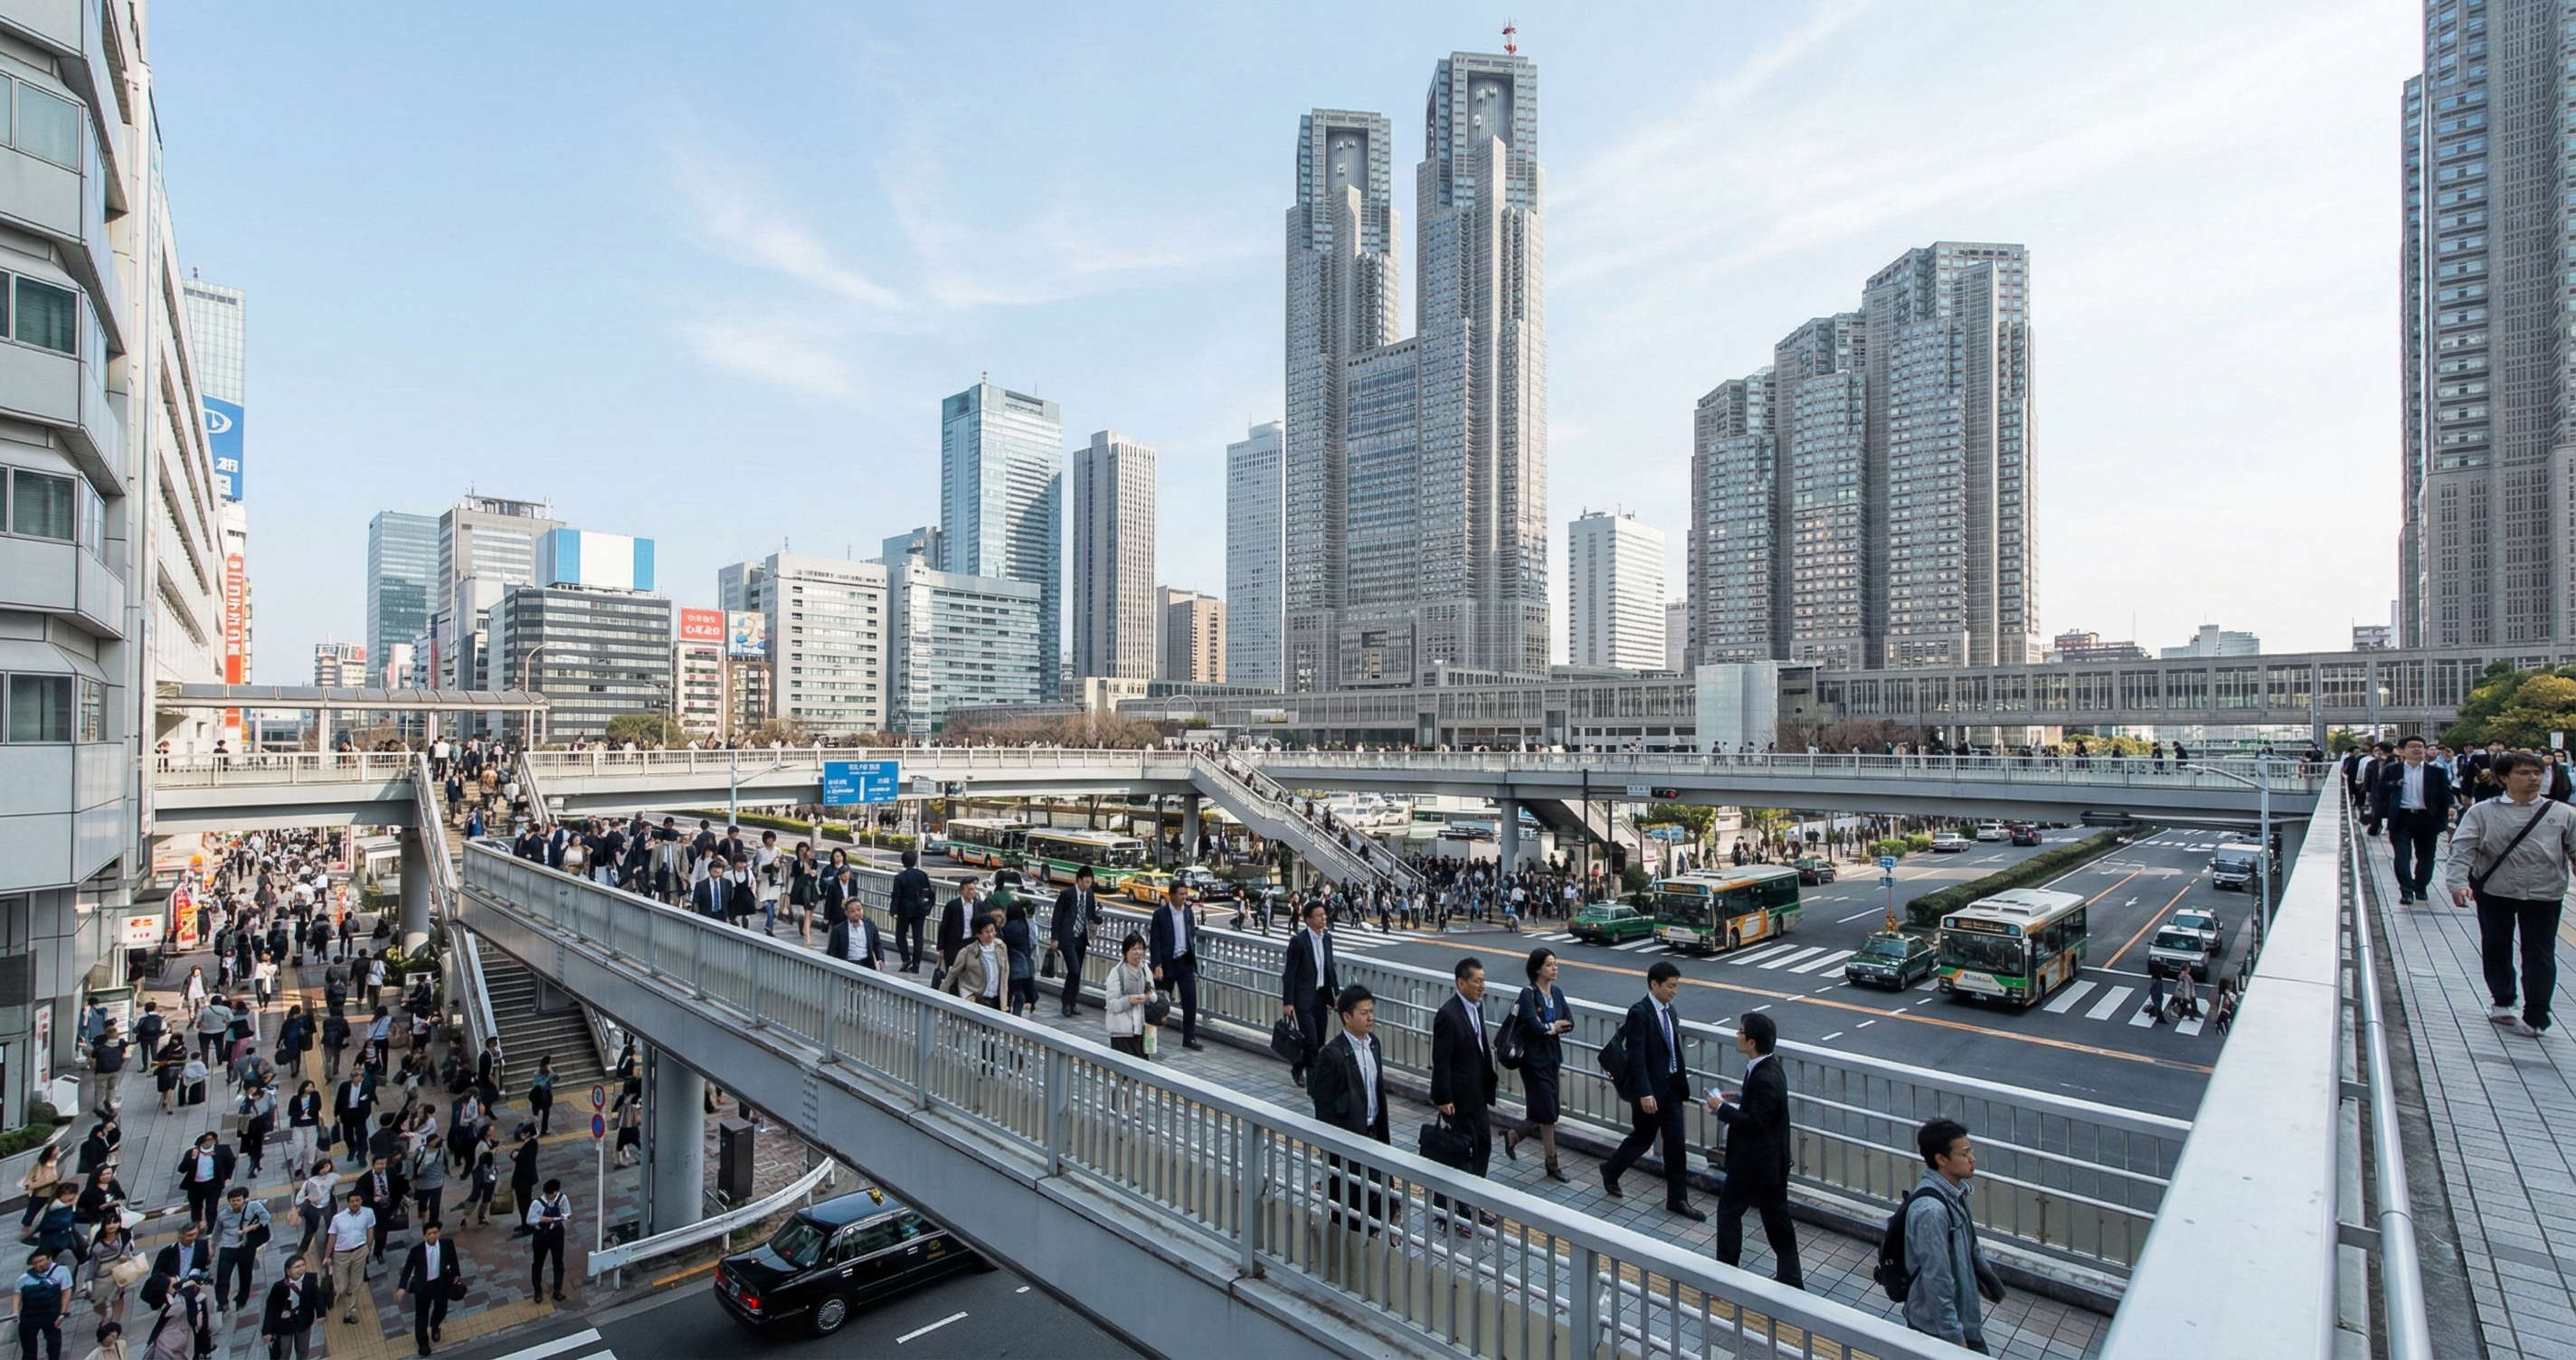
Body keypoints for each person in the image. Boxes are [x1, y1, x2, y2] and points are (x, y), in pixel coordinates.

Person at [2443, 750, 2576, 1035]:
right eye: (2524, 773)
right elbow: (2463, 849)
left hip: (2546, 891)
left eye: (2537, 773)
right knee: (2496, 945)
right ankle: (2503, 1002)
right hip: (2495, 889)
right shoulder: (2483, 812)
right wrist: (2457, 883)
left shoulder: (2562, 812)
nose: (2533, 778)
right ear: (2503, 777)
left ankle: (2537, 1013)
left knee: (2540, 951)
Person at [1705, 1011, 1802, 1286]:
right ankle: (1791, 1279)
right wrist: (1737, 1097)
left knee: (1729, 1211)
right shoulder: (1767, 1067)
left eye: (1740, 1032)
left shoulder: (1764, 1076)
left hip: (1755, 1163)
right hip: (1768, 1164)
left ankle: (1726, 1271)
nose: (1737, 1035)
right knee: (1776, 1221)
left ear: (1752, 1042)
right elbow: (1761, 1107)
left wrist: (1720, 1108)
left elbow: (1757, 1122)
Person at [1601, 961, 1702, 1218]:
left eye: (1676, 986)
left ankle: (1677, 1199)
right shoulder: (1640, 1012)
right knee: (1643, 1138)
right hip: (1649, 1093)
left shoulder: (1670, 1011)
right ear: (1654, 985)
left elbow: (1672, 1049)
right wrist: (1645, 1093)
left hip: (1671, 1090)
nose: (1674, 991)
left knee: (1676, 1146)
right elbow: (1636, 1057)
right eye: (1670, 986)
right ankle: (1611, 1170)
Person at [1902, 1118, 2005, 1353]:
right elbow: (1937, 1278)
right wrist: (1954, 1337)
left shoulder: (1955, 1192)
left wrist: (1992, 1286)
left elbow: (1971, 1248)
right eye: (1965, 1154)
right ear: (1941, 1159)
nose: (1973, 1159)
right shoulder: (1932, 1211)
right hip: (1937, 1328)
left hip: (1960, 1320)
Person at [1428, 956, 1497, 1200]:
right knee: (1464, 1150)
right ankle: (1455, 1205)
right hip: (1458, 1099)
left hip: (1478, 1093)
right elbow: (1442, 1060)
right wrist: (1443, 1097)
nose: (1482, 986)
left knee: (1484, 1146)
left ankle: (1473, 1200)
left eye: (1483, 980)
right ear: (1461, 983)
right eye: (1477, 981)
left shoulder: (1476, 1008)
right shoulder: (1448, 1015)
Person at [1504, 948, 1573, 1183]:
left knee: (1544, 1111)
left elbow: (1569, 1021)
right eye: (1549, 965)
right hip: (1532, 1060)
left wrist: (1550, 1026)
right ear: (1537, 969)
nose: (1555, 968)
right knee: (1547, 1111)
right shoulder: (1528, 994)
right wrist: (1553, 1027)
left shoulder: (1557, 992)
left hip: (1553, 1057)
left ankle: (1514, 1137)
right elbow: (1534, 1025)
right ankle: (1552, 1163)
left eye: (1555, 964)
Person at [2374, 734, 2453, 903]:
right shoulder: (2393, 770)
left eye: (2420, 746)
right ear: (2402, 751)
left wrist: (2450, 809)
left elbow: (2446, 793)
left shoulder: (2436, 771)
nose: (2417, 749)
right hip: (2402, 817)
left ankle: (2421, 886)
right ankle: (2406, 890)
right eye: (2412, 746)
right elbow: (2380, 787)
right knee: (2402, 856)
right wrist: (2395, 784)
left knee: (2426, 856)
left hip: (2427, 818)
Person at [1280, 901, 1340, 1088]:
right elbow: (1289, 974)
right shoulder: (1298, 941)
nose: (1324, 918)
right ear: (1308, 920)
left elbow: (1330, 968)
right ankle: (1314, 1078)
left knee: (1319, 1039)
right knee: (1312, 1039)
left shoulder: (1327, 938)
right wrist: (1288, 1002)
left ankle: (1299, 1065)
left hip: (1322, 996)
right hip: (1303, 998)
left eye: (1324, 914)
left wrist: (1336, 994)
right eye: (1319, 915)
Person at [1150, 884, 1205, 1051]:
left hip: (1184, 962)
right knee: (1157, 1002)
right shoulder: (1160, 915)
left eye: (1186, 894)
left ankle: (1189, 1038)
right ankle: (1150, 1036)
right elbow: (1155, 941)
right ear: (1171, 895)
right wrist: (1157, 964)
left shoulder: (1188, 912)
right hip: (1167, 964)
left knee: (1190, 1001)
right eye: (1181, 894)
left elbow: (1191, 933)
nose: (1184, 897)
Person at [394, 1221, 461, 1355]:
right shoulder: (416, 1251)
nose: (432, 1236)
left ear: (439, 1233)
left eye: (435, 1233)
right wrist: (401, 1287)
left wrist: (456, 1274)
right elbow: (407, 1269)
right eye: (429, 1234)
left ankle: (435, 1326)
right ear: (425, 1235)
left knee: (441, 1308)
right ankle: (423, 1343)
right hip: (423, 1286)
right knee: (421, 1315)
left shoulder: (447, 1244)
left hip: (441, 1283)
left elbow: (453, 1261)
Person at [1047, 865, 1100, 1016]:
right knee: (1074, 969)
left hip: (1081, 938)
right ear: (1078, 880)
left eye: (1090, 882)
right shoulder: (1067, 894)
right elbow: (1056, 916)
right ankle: (1066, 1002)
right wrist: (1055, 938)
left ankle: (1072, 1002)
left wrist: (1098, 916)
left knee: (1077, 973)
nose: (1087, 885)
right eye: (1085, 882)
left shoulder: (1089, 895)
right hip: (1067, 938)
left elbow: (1091, 915)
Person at [210, 1185, 270, 1316]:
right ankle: (222, 1302)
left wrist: (249, 1229)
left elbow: (265, 1218)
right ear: (229, 1201)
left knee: (245, 1274)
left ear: (243, 1199)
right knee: (223, 1276)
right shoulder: (223, 1215)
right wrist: (213, 1248)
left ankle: (242, 1299)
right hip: (227, 1247)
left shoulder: (253, 1206)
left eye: (238, 1200)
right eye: (233, 1200)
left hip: (246, 1247)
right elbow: (216, 1233)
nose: (236, 1203)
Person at [323, 1191, 374, 1326]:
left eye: (357, 1200)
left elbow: (370, 1230)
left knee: (355, 1284)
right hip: (341, 1254)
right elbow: (332, 1237)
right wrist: (327, 1256)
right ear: (348, 1203)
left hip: (360, 1251)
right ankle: (336, 1290)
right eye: (352, 1201)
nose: (355, 1203)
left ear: (361, 1201)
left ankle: (350, 1312)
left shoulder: (368, 1213)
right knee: (342, 1286)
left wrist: (368, 1247)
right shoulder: (338, 1218)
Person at [1102, 933, 1155, 1059]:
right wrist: (1130, 1000)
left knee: (1143, 1070)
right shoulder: (1117, 972)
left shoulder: (1145, 968)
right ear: (1126, 952)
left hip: (1143, 1030)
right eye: (1134, 949)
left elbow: (1152, 993)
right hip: (1122, 1032)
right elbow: (1111, 1004)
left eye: (1141, 948)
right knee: (1126, 1074)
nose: (1139, 952)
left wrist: (1150, 995)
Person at [259, 1255, 322, 1360]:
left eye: (303, 1265)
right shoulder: (279, 1287)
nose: (301, 1269)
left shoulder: (311, 1279)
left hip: (303, 1321)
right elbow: (271, 1309)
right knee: (283, 1350)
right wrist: (267, 1330)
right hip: (284, 1325)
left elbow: (317, 1296)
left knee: (303, 1349)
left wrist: (321, 1313)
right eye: (297, 1267)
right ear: (288, 1271)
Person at [939, 917, 1006, 1009]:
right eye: (986, 932)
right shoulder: (967, 952)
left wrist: (1004, 1001)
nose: (991, 934)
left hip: (996, 999)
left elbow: (1005, 974)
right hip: (976, 999)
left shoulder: (1001, 947)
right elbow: (952, 974)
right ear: (978, 934)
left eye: (992, 930)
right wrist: (939, 996)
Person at [17, 1249, 72, 1360]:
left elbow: (66, 1290)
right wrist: (14, 1312)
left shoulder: (61, 1271)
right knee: (28, 1349)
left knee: (54, 1345)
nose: (38, 1265)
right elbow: (17, 1294)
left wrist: (62, 1312)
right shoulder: (24, 1278)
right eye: (35, 1263)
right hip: (29, 1316)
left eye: (41, 1261)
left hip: (51, 1314)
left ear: (49, 1258)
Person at [174, 1133, 234, 1231]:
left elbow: (231, 1162)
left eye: (210, 1140)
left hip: (212, 1185)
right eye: (205, 1140)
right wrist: (192, 1158)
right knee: (196, 1209)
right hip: (195, 1186)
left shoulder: (221, 1150)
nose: (208, 1143)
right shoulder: (191, 1152)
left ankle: (211, 1229)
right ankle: (196, 1227)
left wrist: (226, 1177)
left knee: (211, 1209)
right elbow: (182, 1169)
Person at [526, 1178, 571, 1303]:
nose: (550, 1196)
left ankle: (557, 1290)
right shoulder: (537, 1203)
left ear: (556, 1192)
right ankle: (538, 1291)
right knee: (538, 1264)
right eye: (548, 1194)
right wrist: (543, 1220)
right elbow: (530, 1220)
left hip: (557, 1234)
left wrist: (563, 1217)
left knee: (558, 1262)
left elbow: (568, 1213)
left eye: (552, 1194)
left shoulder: (562, 1198)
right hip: (541, 1236)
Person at [889, 849, 934, 973]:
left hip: (904, 911)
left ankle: (906, 959)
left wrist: (893, 910)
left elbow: (896, 896)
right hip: (920, 910)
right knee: (918, 937)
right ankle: (916, 965)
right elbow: (928, 892)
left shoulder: (899, 878)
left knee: (900, 936)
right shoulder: (922, 875)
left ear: (903, 862)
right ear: (915, 861)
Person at [999, 901, 1038, 1016]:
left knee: (1013, 992)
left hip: (1015, 964)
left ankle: (1010, 1015)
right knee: (1020, 992)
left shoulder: (1010, 927)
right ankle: (1016, 1016)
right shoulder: (1023, 924)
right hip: (1024, 964)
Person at [824, 899, 886, 971]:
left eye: (859, 910)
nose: (857, 913)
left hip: (867, 963)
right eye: (852, 911)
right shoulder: (838, 929)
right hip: (848, 964)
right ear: (846, 913)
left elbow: (877, 944)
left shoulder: (870, 925)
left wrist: (880, 958)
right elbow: (832, 951)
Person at [526, 1057, 556, 1138]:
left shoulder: (547, 1072)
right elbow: (540, 1084)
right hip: (540, 1095)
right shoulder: (540, 1073)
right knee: (541, 1113)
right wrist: (549, 1074)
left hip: (543, 1095)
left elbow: (557, 1078)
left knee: (545, 1112)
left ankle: (543, 1129)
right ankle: (538, 1130)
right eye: (549, 1064)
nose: (550, 1065)